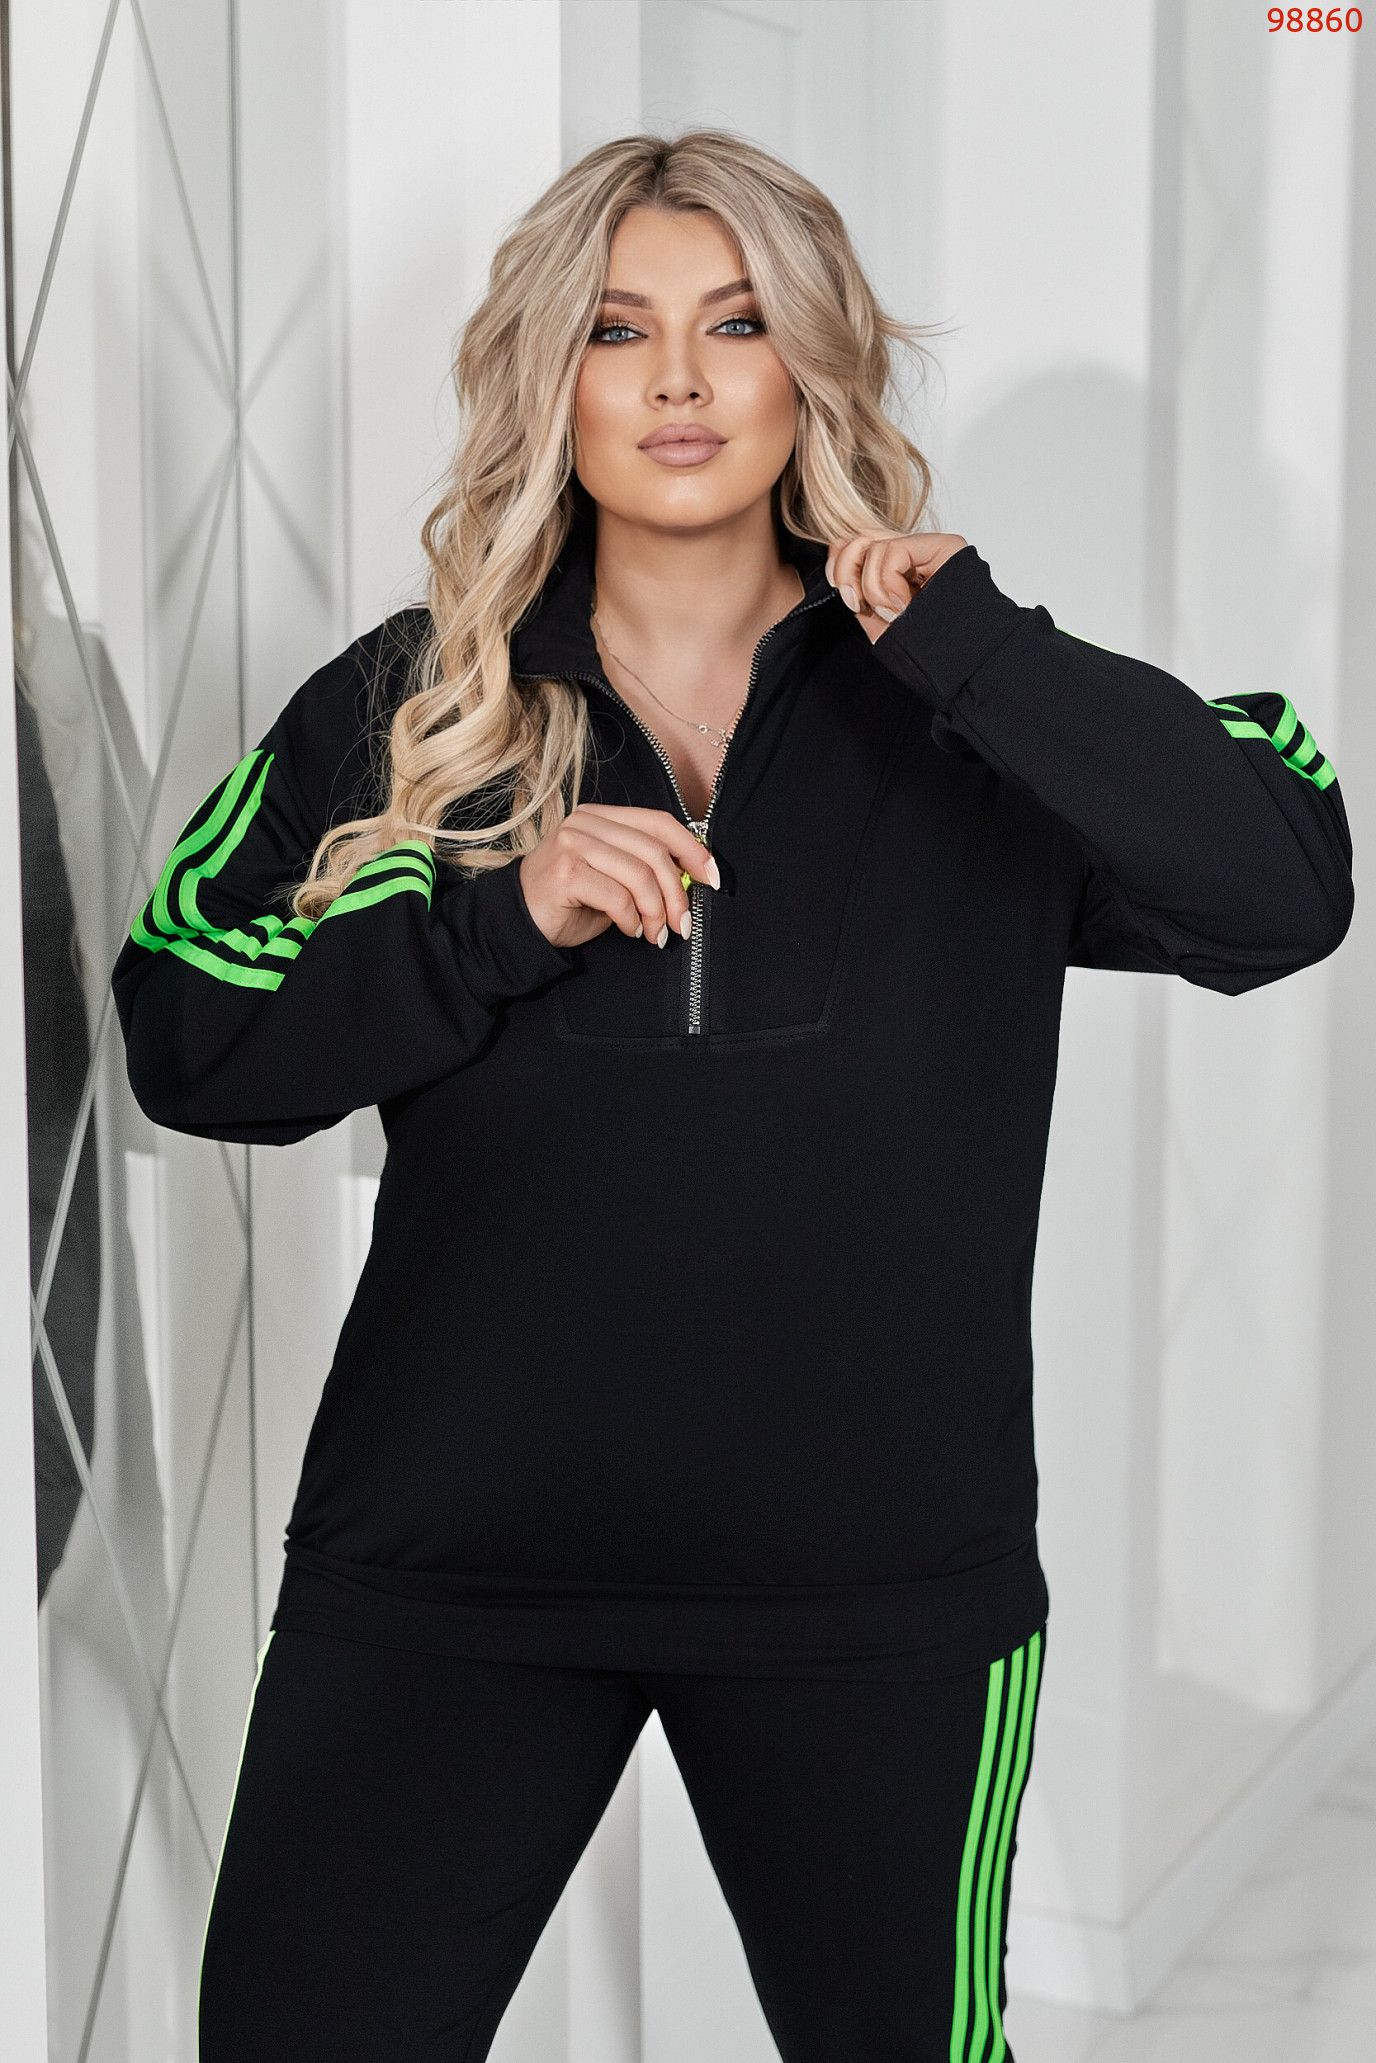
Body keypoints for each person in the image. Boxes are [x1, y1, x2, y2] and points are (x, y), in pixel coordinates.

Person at [111, 130, 1354, 2063]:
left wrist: (974, 647)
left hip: (877, 1600)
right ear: (552, 377)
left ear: (810, 365)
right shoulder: (417, 705)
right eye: (619, 331)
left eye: (739, 323)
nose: (680, 380)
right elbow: (185, 1032)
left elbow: (1281, 892)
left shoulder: (966, 712)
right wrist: (489, 918)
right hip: (453, 1572)